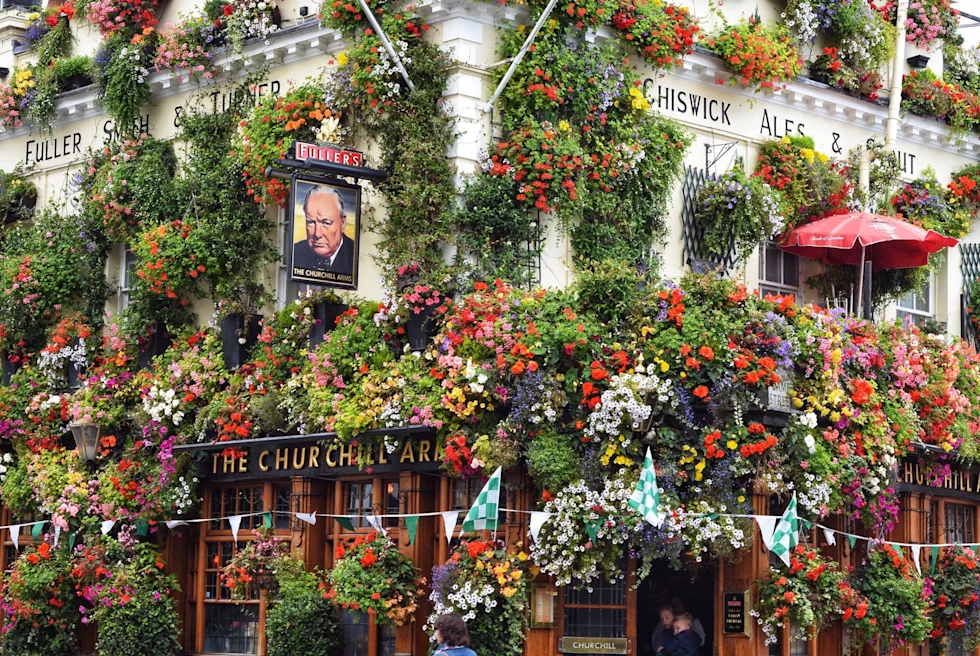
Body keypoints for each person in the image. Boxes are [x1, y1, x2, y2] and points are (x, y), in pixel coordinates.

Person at [292, 185, 355, 274]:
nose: (317, 234)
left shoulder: (354, 255)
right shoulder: (296, 253)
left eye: (326, 223)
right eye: (311, 222)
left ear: (342, 222)